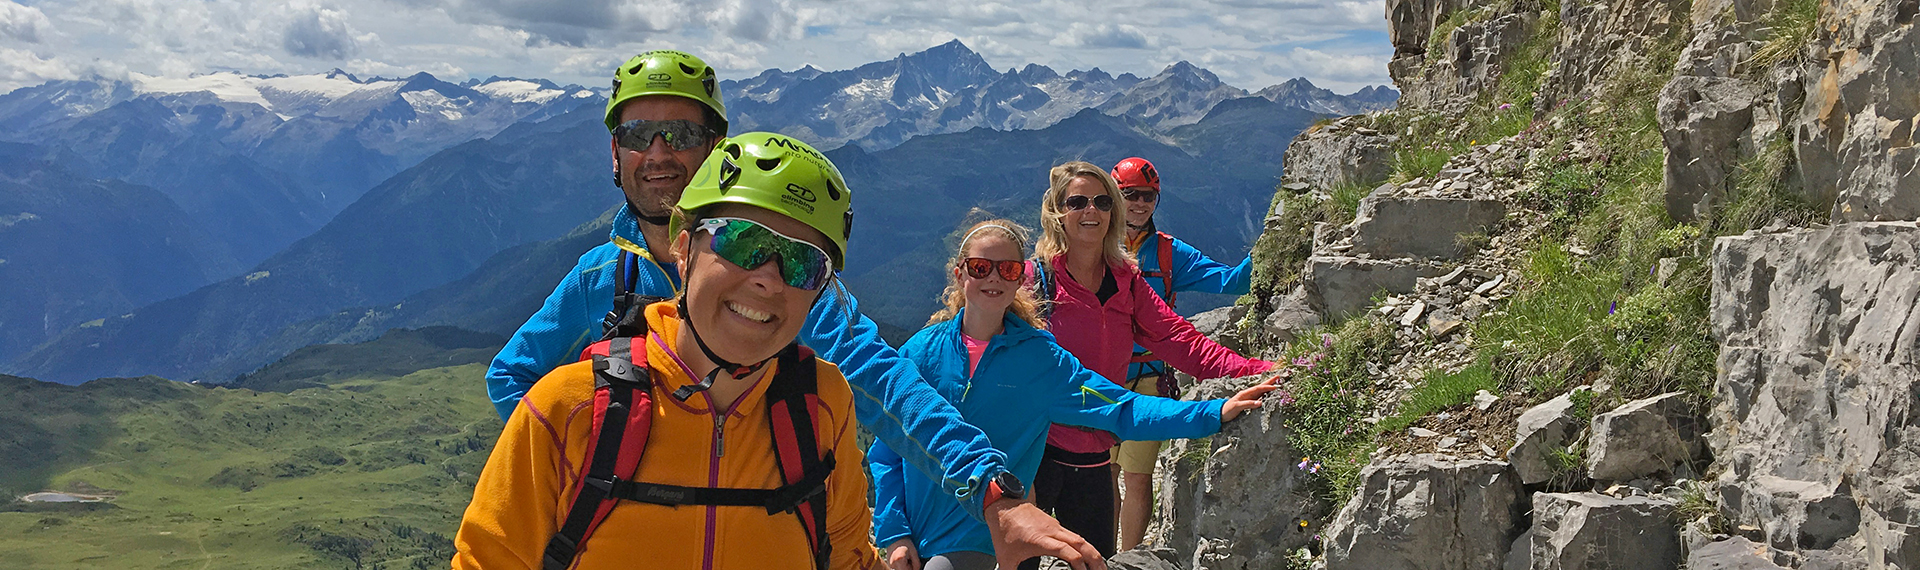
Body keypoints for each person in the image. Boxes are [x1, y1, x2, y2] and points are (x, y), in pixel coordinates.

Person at [482, 50, 1101, 568]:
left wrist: (990, 488)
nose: (660, 152)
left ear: (716, 149)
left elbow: (888, 383)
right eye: (638, 135)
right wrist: (583, 456)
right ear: (615, 153)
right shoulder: (602, 277)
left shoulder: (794, 278)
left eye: (685, 135)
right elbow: (512, 376)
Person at [453, 133, 878, 569]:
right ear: (683, 249)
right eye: (741, 241)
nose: (768, 279)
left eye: (804, 263)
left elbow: (851, 559)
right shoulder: (568, 409)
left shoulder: (822, 406)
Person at [869, 218, 1280, 570]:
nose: (993, 278)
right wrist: (895, 534)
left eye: (1007, 269)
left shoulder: (1042, 361)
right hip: (914, 537)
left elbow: (1121, 409)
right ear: (961, 274)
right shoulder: (920, 352)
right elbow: (888, 450)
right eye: (981, 267)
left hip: (977, 536)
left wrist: (1211, 413)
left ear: (1020, 277)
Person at [1023, 162, 1274, 564]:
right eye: (1078, 202)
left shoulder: (1126, 281)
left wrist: (1258, 371)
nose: (1091, 210)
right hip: (1035, 449)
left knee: (1095, 560)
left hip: (1094, 449)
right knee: (1020, 562)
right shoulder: (1033, 282)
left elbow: (1178, 339)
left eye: (1102, 202)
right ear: (1057, 212)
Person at [1106, 156, 1256, 550]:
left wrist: (1273, 239)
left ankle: (1128, 558)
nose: (1140, 204)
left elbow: (1231, 282)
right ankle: (1102, 555)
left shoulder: (1170, 253)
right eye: (1131, 195)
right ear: (1114, 197)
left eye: (1148, 196)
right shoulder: (1094, 248)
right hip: (1101, 377)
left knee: (1137, 477)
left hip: (1148, 378)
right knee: (1103, 475)